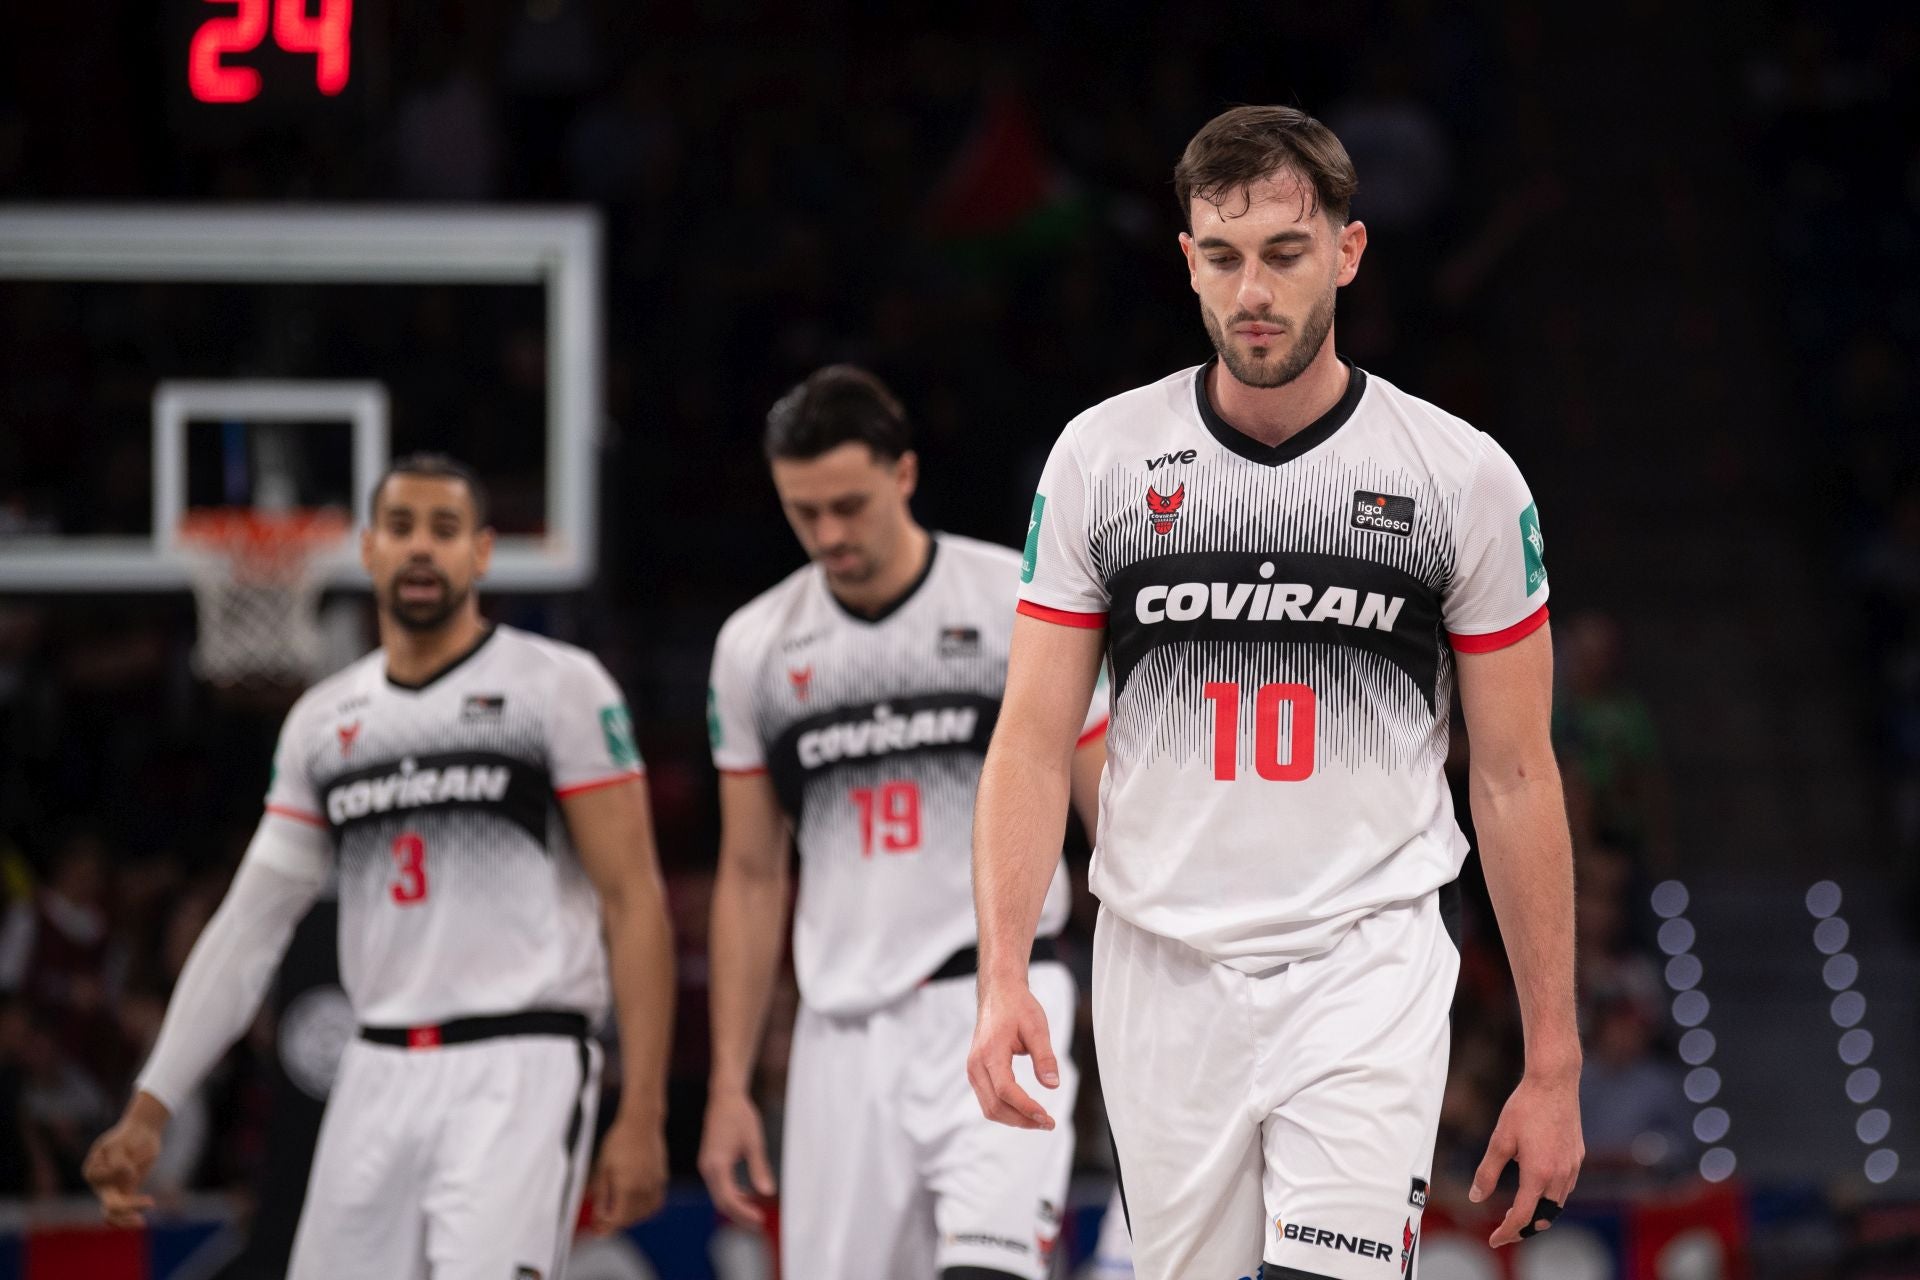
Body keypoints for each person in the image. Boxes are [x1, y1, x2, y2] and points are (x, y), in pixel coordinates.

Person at [968, 105, 1584, 1279]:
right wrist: (1004, 974)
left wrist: (1552, 1058)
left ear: (1347, 252)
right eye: (1223, 254)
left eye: (1286, 253)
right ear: (1188, 260)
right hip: (1158, 964)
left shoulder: (1459, 475)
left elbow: (1512, 774)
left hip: (1365, 956)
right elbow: (1033, 743)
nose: (1254, 288)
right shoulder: (1100, 458)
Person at [83, 453, 674, 1279]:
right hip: (373, 1070)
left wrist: (643, 1108)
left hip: (520, 1063)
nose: (421, 549)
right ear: (368, 551)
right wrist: (153, 1103)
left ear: (482, 553)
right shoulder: (323, 722)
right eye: (401, 528)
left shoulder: (559, 689)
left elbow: (633, 898)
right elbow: (251, 925)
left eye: (444, 530)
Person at [698, 366, 1106, 1280]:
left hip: (1000, 997)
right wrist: (728, 1086)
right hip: (840, 1034)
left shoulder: (1018, 602)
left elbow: (1111, 817)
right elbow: (751, 875)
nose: (829, 534)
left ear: (905, 474)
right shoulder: (753, 648)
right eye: (805, 513)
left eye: (849, 504)